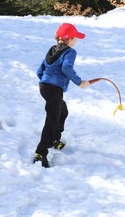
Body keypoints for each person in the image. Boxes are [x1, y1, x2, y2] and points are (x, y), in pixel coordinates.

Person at [33, 23, 90, 167]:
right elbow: (66, 68)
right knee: (52, 118)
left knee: (62, 111)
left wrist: (45, 80)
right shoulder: (70, 52)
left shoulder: (52, 50)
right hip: (53, 88)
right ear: (69, 39)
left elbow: (40, 70)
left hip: (45, 86)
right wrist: (79, 82)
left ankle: (54, 139)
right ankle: (41, 153)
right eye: (75, 38)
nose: (76, 40)